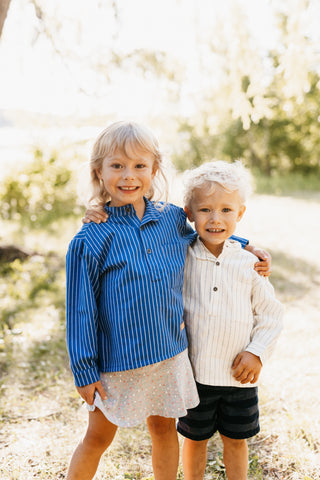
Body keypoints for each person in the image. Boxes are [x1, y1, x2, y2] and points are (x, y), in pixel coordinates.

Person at [71, 121, 271, 480]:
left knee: (163, 430)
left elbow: (211, 227)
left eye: (139, 166)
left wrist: (248, 246)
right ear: (98, 172)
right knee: (97, 437)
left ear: (154, 169)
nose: (128, 176)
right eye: (117, 166)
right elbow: (81, 310)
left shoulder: (171, 219)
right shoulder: (91, 237)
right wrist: (84, 370)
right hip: (118, 359)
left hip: (168, 354)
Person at [176, 160, 284, 480]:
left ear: (240, 214)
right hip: (194, 375)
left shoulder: (249, 263)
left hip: (238, 378)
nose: (215, 218)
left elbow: (271, 314)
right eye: (205, 209)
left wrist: (257, 351)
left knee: (236, 442)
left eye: (226, 210)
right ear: (189, 213)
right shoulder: (182, 255)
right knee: (195, 442)